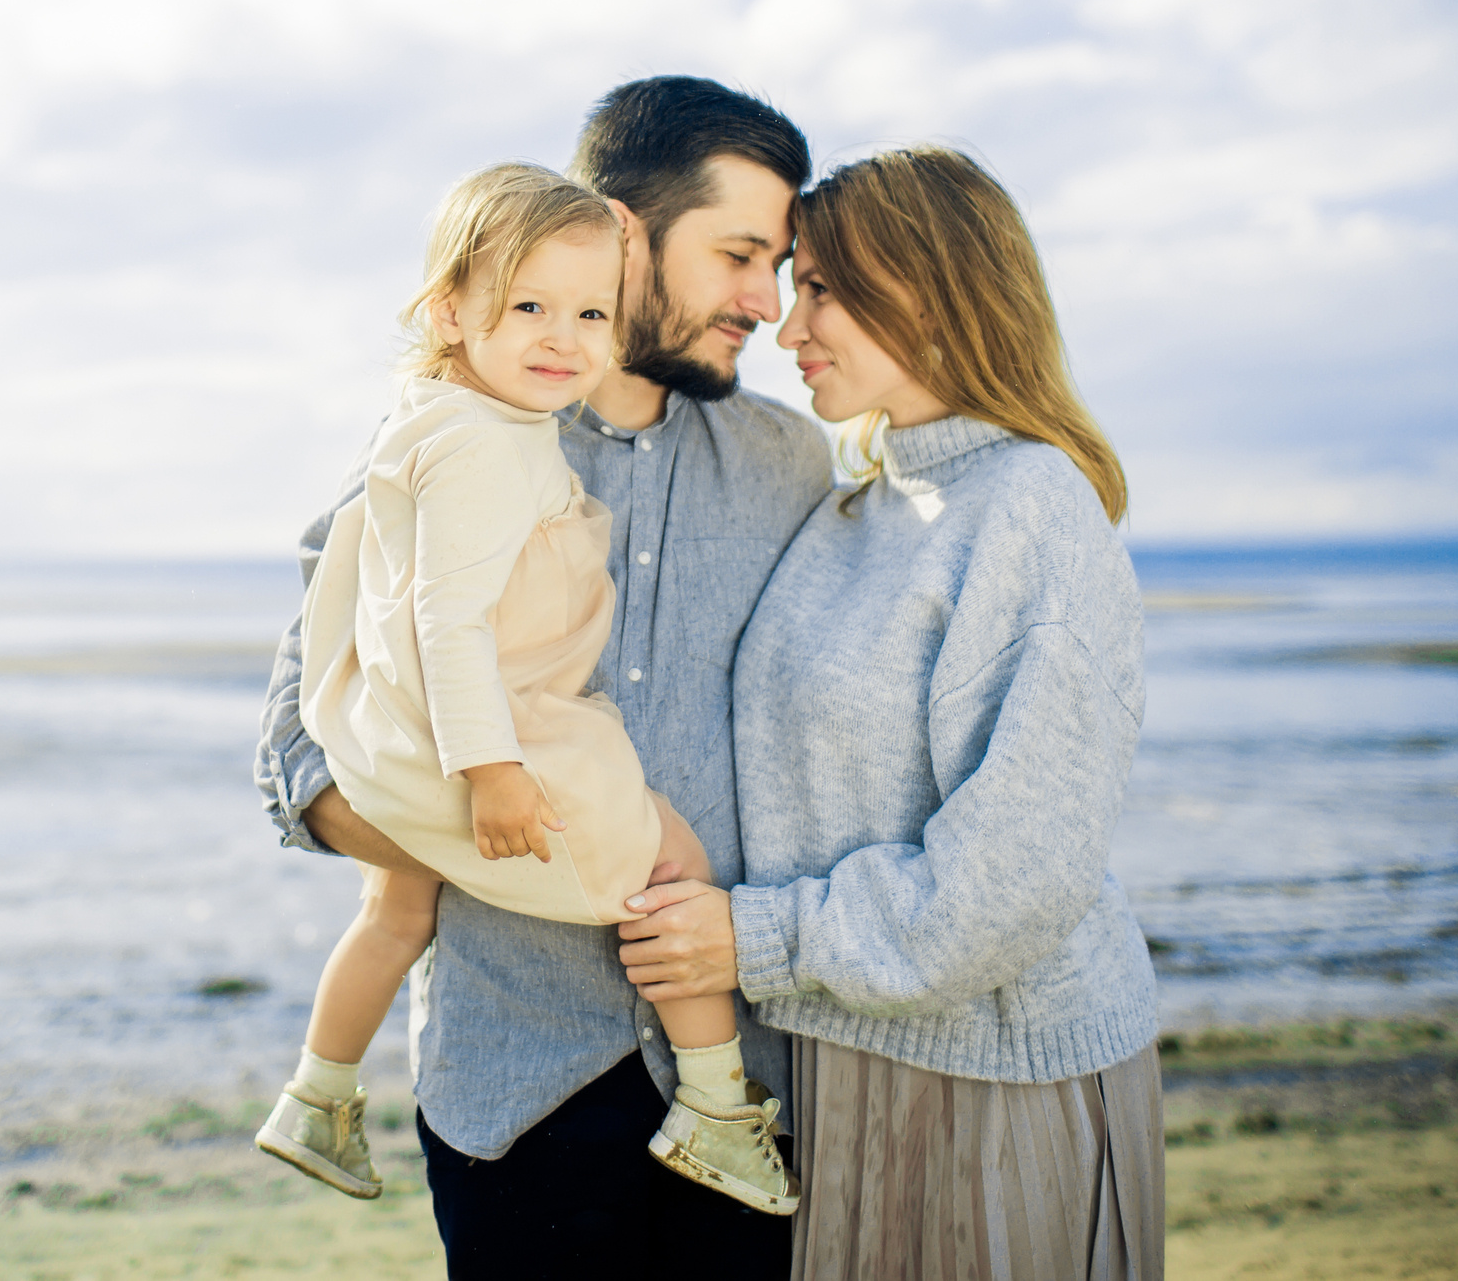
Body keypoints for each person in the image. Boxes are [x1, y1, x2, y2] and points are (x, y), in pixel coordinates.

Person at [256, 77, 831, 1280]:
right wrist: (472, 815)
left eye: (776, 264)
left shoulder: (789, 462)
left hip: (745, 1072)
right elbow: (296, 740)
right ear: (623, 233)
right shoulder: (451, 437)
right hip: (513, 1078)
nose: (763, 303)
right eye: (737, 255)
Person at [616, 147, 1163, 1279]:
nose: (784, 321)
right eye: (788, 281)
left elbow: (1012, 883)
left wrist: (749, 938)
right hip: (840, 1058)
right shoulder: (858, 503)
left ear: (934, 286)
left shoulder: (1032, 511)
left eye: (821, 287)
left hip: (990, 1079)